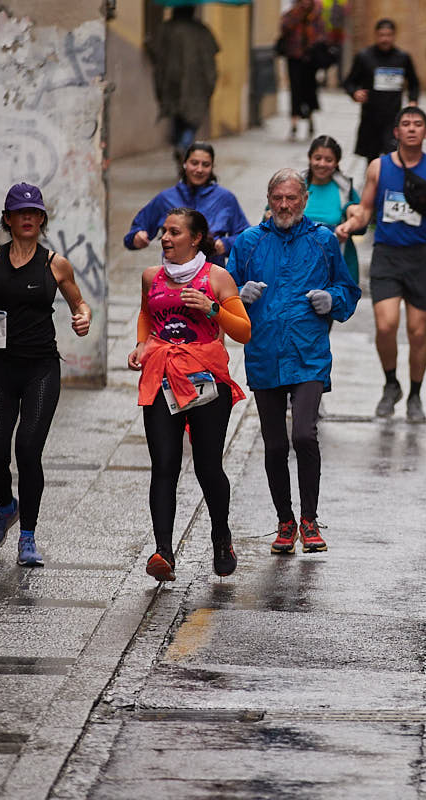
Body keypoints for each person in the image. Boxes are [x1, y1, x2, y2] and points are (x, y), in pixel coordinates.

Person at [0, 183, 92, 567]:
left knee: (28, 449)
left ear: (42, 219)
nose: (28, 218)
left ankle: (27, 537)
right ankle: (6, 506)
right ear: (8, 219)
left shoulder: (55, 264)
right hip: (0, 366)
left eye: (34, 213)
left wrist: (82, 318)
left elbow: (80, 303)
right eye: (20, 213)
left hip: (41, 368)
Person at [227, 169, 361, 554]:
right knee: (273, 445)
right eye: (277, 198)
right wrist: (239, 293)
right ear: (269, 199)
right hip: (266, 353)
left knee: (304, 434)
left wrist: (332, 300)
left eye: (291, 198)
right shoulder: (249, 242)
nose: (284, 205)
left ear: (304, 200)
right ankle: (285, 521)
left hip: (308, 353)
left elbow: (348, 288)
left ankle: (310, 519)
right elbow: (220, 290)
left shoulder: (322, 241)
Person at [127, 208, 250, 582]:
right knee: (163, 465)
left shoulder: (216, 277)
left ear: (196, 238)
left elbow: (244, 331)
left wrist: (212, 308)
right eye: (164, 232)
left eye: (174, 233)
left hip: (206, 380)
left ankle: (221, 535)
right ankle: (163, 551)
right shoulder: (152, 276)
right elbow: (147, 315)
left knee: (207, 466)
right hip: (162, 375)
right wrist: (140, 345)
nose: (165, 238)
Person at [335, 107, 426, 423]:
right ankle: (391, 384)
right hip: (387, 255)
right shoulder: (379, 167)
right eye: (406, 124)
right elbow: (365, 209)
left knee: (418, 333)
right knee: (386, 325)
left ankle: (415, 395)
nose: (412, 129)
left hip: (422, 258)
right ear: (397, 132)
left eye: (418, 125)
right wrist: (352, 224)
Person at [124, 142, 251, 265]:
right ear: (184, 164)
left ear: (212, 167)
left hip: (211, 277)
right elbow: (133, 235)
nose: (199, 169)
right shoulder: (165, 198)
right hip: (172, 276)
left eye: (205, 164)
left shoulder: (225, 199)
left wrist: (226, 244)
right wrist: (137, 237)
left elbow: (247, 238)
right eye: (194, 163)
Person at [344, 19, 420, 162]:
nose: (385, 39)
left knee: (393, 157)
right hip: (370, 117)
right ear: (375, 35)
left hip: (393, 117)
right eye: (381, 35)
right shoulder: (364, 57)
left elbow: (414, 83)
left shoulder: (402, 58)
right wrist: (354, 93)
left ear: (394, 36)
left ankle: (390, 184)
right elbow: (349, 82)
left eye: (389, 35)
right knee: (371, 160)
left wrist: (413, 101)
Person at [149, 6, 219, 159]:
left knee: (177, 116)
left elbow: (155, 51)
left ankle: (180, 145)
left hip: (171, 81)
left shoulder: (166, 29)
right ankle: (183, 145)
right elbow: (212, 56)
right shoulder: (202, 30)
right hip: (197, 84)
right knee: (192, 119)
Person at [303, 135, 362, 283]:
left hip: (335, 269)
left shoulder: (345, 190)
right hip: (297, 269)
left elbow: (362, 224)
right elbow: (270, 217)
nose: (322, 164)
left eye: (328, 160)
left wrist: (349, 224)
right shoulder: (294, 186)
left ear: (336, 163)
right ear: (310, 158)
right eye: (317, 158)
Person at [279, 0, 327, 142]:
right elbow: (284, 28)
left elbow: (322, 35)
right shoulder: (292, 13)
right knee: (295, 90)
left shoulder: (317, 15)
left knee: (310, 90)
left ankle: (311, 121)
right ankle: (294, 124)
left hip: (311, 59)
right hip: (294, 57)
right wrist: (297, 15)